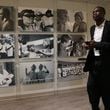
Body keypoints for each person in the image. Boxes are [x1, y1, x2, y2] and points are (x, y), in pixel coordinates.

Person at [83, 6, 110, 110]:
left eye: (97, 11)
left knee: (107, 92)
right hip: (94, 63)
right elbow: (94, 44)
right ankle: (95, 107)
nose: (94, 13)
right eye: (93, 12)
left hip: (107, 65)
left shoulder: (109, 25)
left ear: (103, 13)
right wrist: (89, 46)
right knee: (91, 88)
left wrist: (97, 45)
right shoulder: (92, 28)